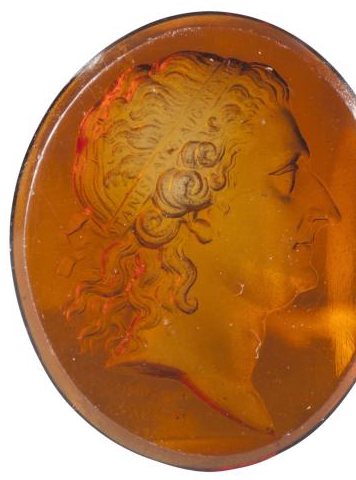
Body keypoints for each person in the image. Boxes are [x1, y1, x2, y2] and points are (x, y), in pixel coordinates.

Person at [64, 51, 340, 433]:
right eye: (287, 177)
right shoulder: (151, 413)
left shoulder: (281, 385)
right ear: (191, 204)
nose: (328, 211)